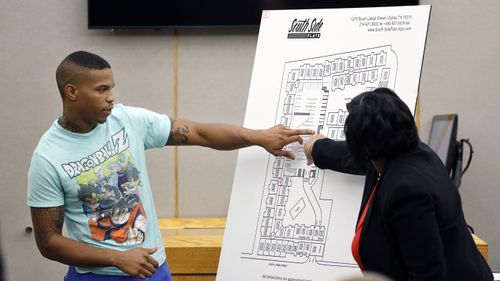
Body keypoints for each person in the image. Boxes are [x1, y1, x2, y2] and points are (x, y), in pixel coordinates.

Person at [27, 51, 314, 280]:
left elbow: (199, 133)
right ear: (72, 92)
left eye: (112, 88)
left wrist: (258, 136)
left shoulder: (127, 121)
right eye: (101, 90)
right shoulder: (48, 157)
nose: (111, 97)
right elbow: (49, 242)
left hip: (154, 269)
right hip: (97, 276)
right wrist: (116, 258)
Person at [304, 88, 493, 281]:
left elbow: (428, 275)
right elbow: (352, 157)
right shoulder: (414, 152)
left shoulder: (406, 191)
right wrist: (316, 147)